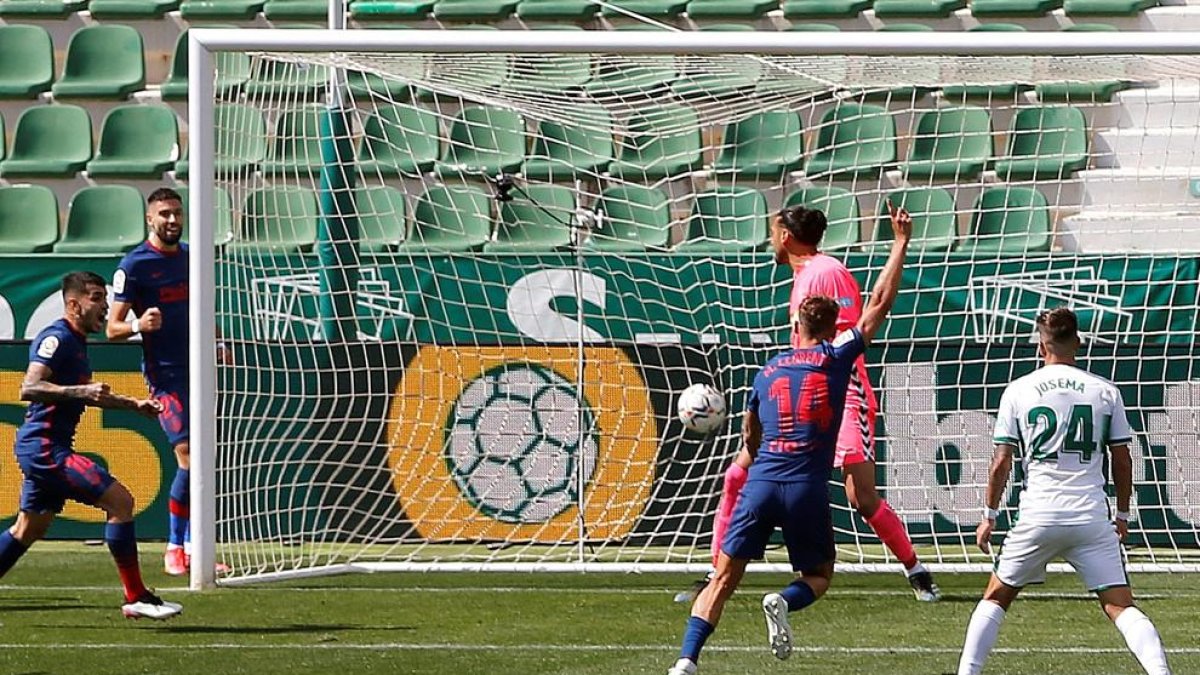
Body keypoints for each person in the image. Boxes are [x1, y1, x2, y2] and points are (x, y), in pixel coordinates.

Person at [666, 203, 912, 675]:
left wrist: (756, 456)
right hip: (804, 487)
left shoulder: (770, 369)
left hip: (761, 483)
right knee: (818, 575)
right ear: (832, 328)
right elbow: (879, 303)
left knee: (723, 578)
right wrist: (899, 243)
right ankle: (784, 599)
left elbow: (750, 432)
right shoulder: (835, 359)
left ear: (796, 325)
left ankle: (685, 660)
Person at [956, 307, 1170, 675]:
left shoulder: (1018, 390)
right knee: (1121, 605)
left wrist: (989, 516)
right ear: (1079, 342)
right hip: (1090, 516)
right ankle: (1160, 671)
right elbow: (1122, 460)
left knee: (996, 597)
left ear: (1041, 347)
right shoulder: (1105, 391)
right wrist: (1122, 514)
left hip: (1038, 515)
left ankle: (967, 671)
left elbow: (1001, 461)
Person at [0, 271, 183, 620]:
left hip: (46, 446)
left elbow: (90, 395)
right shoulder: (57, 338)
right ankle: (136, 596)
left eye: (105, 299)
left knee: (28, 529)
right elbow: (29, 387)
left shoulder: (76, 341)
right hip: (44, 448)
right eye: (97, 298)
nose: (105, 307)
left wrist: (133, 405)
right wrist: (79, 390)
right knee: (121, 501)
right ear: (73, 304)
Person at [107, 187, 195, 576]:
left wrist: (218, 342)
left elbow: (204, 309)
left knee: (205, 461)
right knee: (188, 454)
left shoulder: (192, 258)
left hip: (199, 370)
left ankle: (193, 546)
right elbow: (111, 328)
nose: (172, 220)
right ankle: (174, 547)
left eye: (177, 213)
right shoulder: (135, 265)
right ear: (149, 219)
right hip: (166, 375)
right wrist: (137, 325)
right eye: (164, 214)